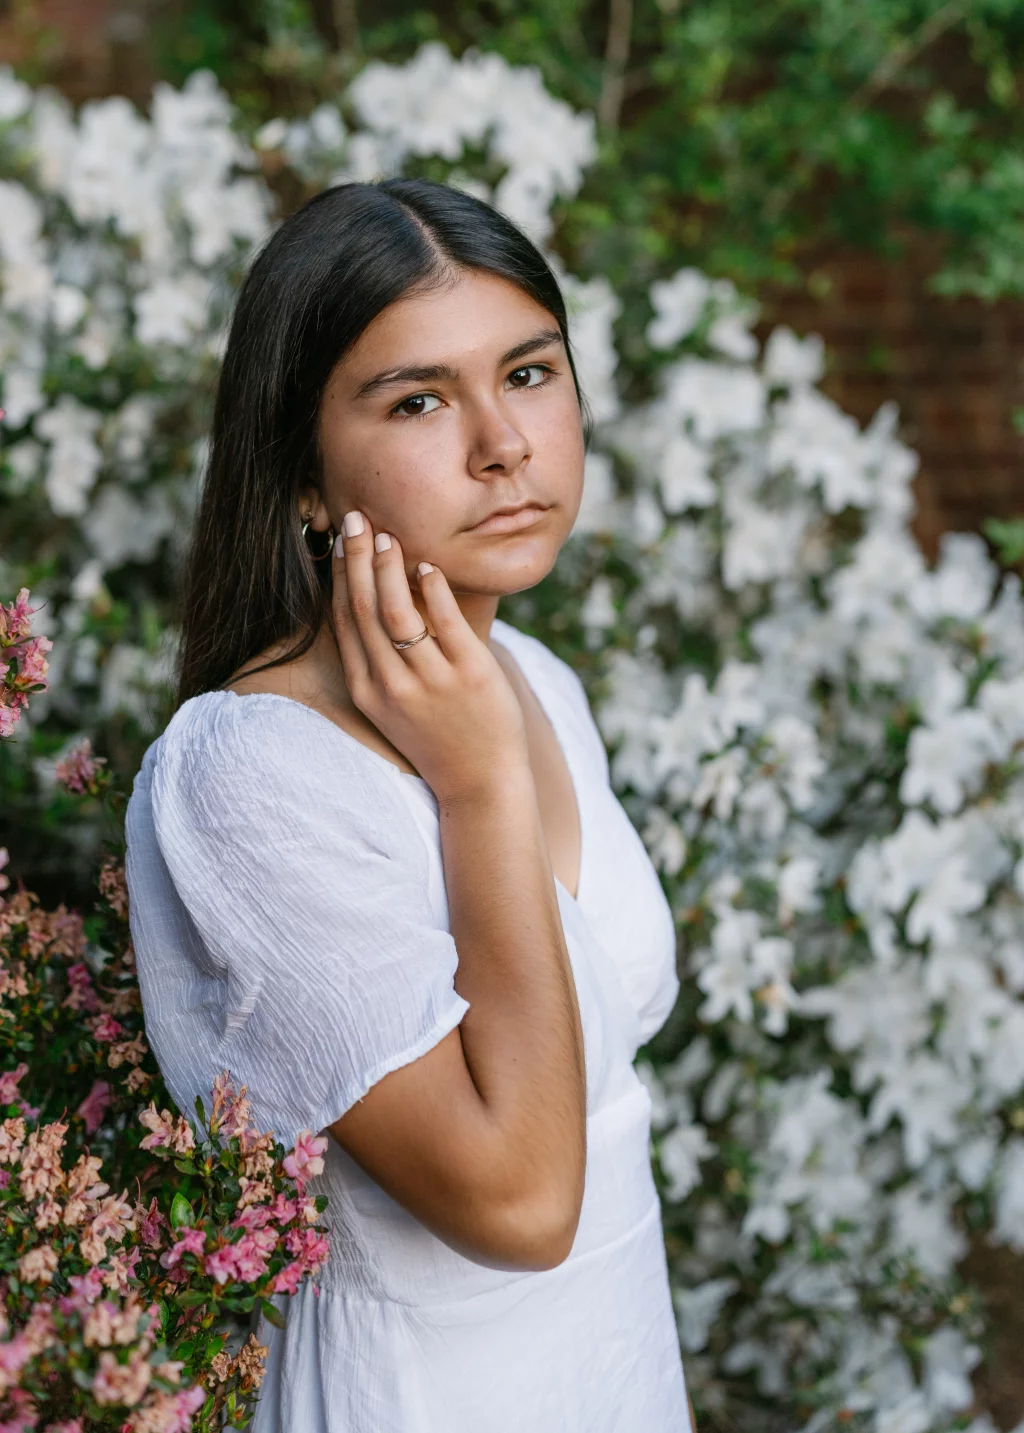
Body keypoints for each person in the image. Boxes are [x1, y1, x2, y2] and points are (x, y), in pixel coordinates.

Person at [124, 177, 692, 1432]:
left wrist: (489, 743)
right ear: (306, 478)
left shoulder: (532, 678)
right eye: (420, 399)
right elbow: (519, 1204)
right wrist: (478, 783)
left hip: (613, 1369)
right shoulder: (252, 772)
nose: (503, 442)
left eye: (531, 373)